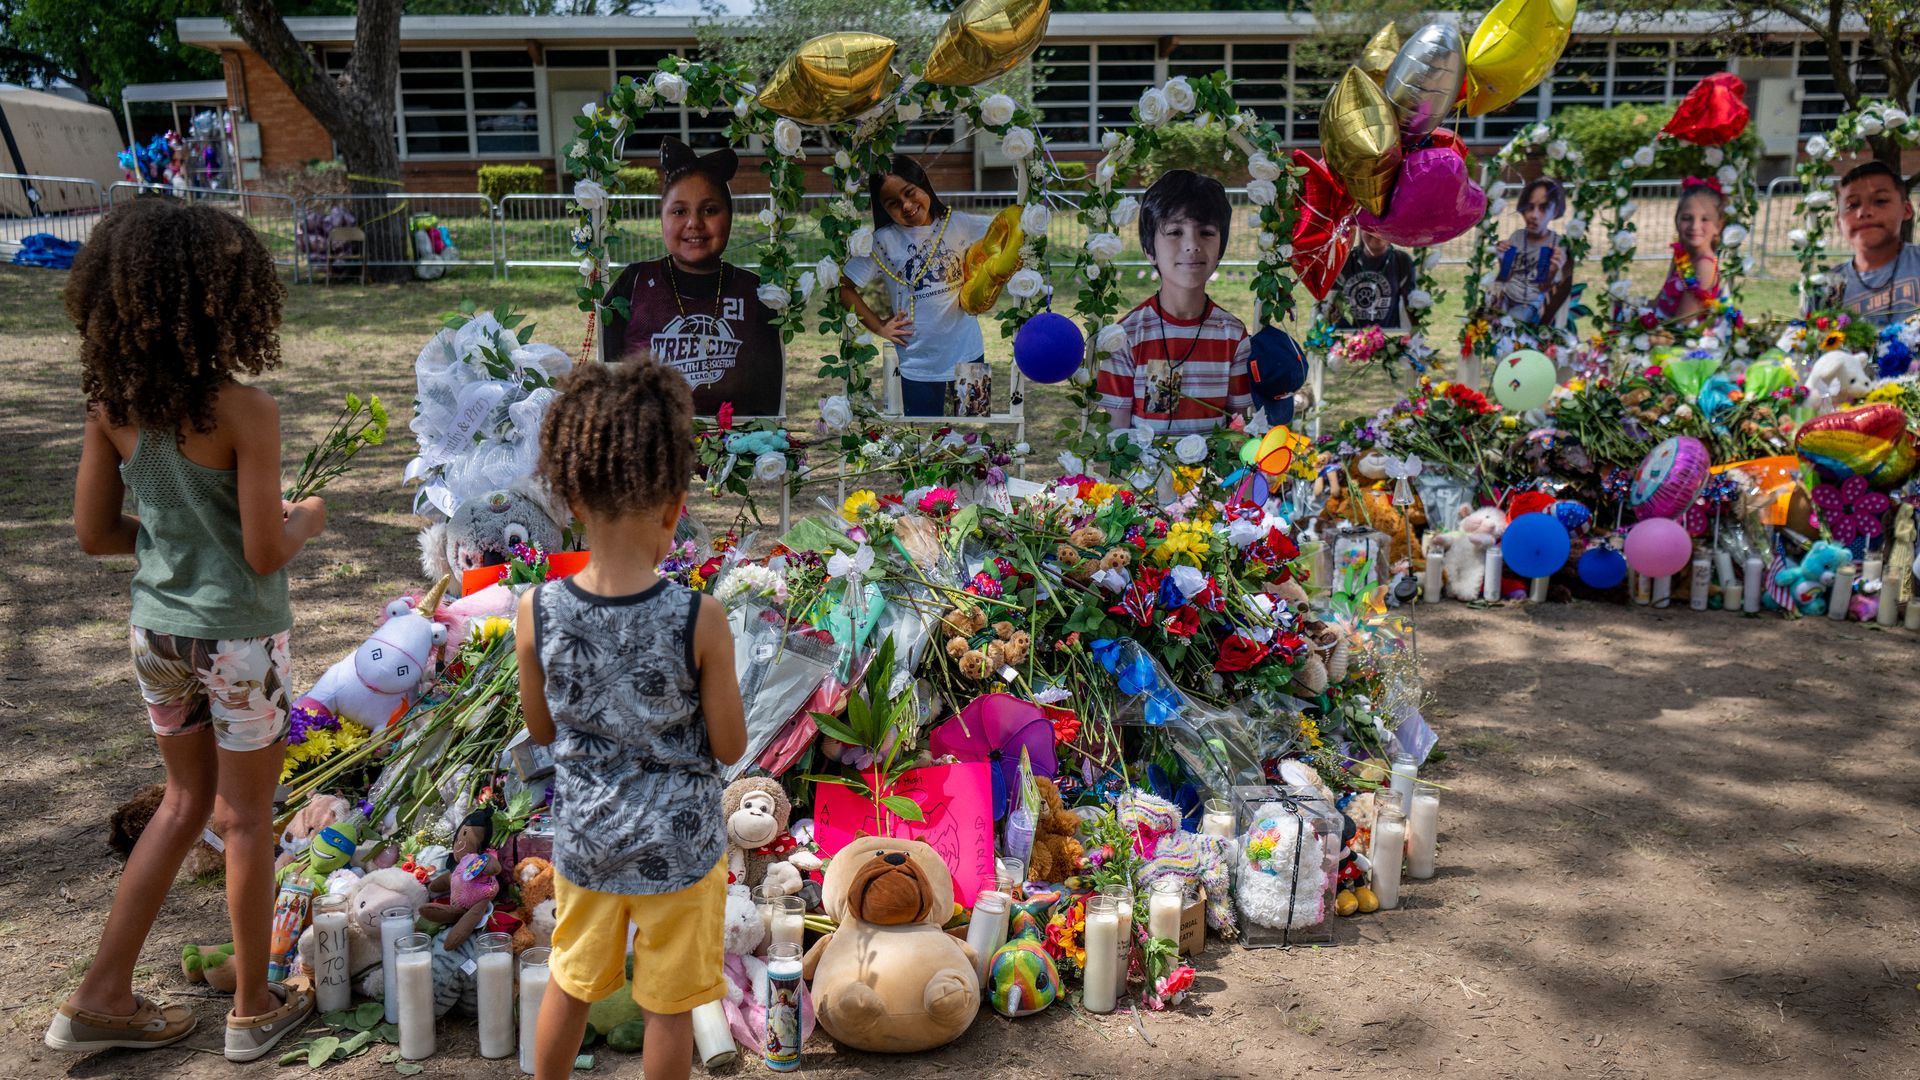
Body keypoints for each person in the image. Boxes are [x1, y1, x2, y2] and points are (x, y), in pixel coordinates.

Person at [51, 197, 325, 1062]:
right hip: (239, 643)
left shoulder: (111, 405)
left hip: (156, 635)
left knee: (181, 806)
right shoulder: (244, 411)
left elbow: (96, 534)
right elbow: (262, 547)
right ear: (226, 297)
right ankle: (253, 1006)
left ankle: (99, 995)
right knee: (246, 818)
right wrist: (308, 516)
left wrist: (175, 542)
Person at [516, 359, 747, 1080]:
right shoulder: (698, 617)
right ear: (676, 506)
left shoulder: (536, 610)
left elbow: (543, 730)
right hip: (679, 849)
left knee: (571, 981)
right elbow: (731, 745)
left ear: (572, 497)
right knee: (669, 1008)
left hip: (588, 841)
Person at [603, 137, 783, 417]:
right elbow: (608, 384)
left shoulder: (754, 293)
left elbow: (768, 402)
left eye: (710, 210)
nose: (694, 223)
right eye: (679, 211)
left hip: (733, 453)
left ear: (730, 217)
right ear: (662, 217)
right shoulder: (634, 283)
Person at [1097, 168, 1253, 435]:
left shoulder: (1232, 335)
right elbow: (1115, 435)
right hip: (1144, 475)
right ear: (1149, 250)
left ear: (1221, 248)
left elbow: (1238, 427)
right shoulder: (1127, 336)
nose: (1192, 245)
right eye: (1174, 232)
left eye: (1205, 232)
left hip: (1213, 476)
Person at [840, 154, 993, 417]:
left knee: (974, 432)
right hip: (917, 362)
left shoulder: (958, 223)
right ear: (883, 208)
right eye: (893, 203)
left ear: (923, 183)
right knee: (925, 443)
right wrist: (878, 326)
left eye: (910, 193)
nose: (907, 205)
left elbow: (1006, 233)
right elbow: (844, 288)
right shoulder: (882, 242)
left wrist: (985, 282)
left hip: (969, 351)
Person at [1824, 160, 1920, 326]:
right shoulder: (1827, 286)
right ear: (1839, 222)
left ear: (1906, 210)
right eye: (1852, 205)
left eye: (1880, 201)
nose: (1864, 212)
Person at [1494, 177, 1570, 325]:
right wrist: (1502, 258)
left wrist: (1553, 271)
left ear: (1555, 212)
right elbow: (1505, 275)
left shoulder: (1554, 245)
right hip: (1507, 298)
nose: (1534, 215)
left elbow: (1543, 287)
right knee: (1484, 320)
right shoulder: (1517, 237)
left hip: (1529, 305)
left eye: (1543, 208)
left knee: (1512, 323)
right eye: (1529, 207)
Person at [1653, 178, 1727, 324]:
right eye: (1687, 218)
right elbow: (1659, 301)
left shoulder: (1704, 265)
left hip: (1679, 342)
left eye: (1705, 219)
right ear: (1677, 221)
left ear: (1718, 226)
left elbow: (1682, 322)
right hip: (1661, 328)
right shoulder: (1681, 256)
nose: (1695, 226)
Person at [1332, 230, 1414, 330]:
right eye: (1370, 228)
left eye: (1382, 228)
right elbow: (1331, 305)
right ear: (1360, 228)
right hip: (1347, 340)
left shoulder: (1401, 261)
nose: (1377, 233)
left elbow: (1411, 305)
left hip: (1388, 339)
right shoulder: (1345, 261)